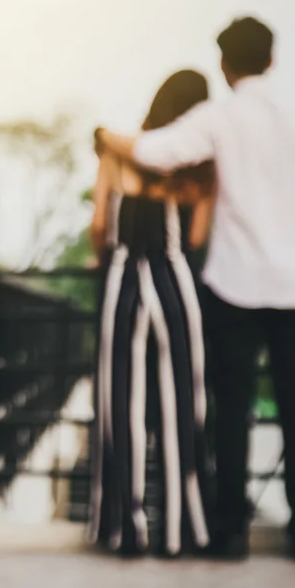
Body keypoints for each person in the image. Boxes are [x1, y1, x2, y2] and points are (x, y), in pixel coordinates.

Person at [98, 16, 295, 562]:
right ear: (272, 59)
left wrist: (103, 137)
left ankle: (230, 533)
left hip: (234, 284)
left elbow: (155, 153)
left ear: (224, 65)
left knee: (232, 409)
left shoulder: (219, 117)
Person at [89, 70, 216, 558]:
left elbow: (99, 225)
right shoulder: (201, 168)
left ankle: (126, 529)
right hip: (174, 280)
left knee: (120, 400)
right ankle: (181, 530)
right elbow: (197, 237)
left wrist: (101, 257)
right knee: (184, 401)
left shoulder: (116, 154)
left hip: (122, 277)